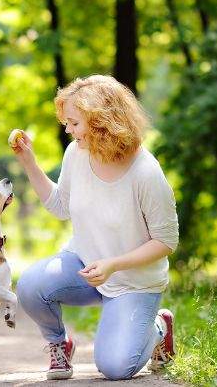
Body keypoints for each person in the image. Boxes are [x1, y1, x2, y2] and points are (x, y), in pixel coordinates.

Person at [11, 75, 179, 381]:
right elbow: (60, 206)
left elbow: (166, 242)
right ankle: (59, 345)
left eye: (74, 123)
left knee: (115, 368)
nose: (67, 130)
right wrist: (29, 162)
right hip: (85, 265)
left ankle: (159, 327)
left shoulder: (146, 173)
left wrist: (114, 265)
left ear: (101, 121)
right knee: (31, 286)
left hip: (133, 281)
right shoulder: (77, 153)